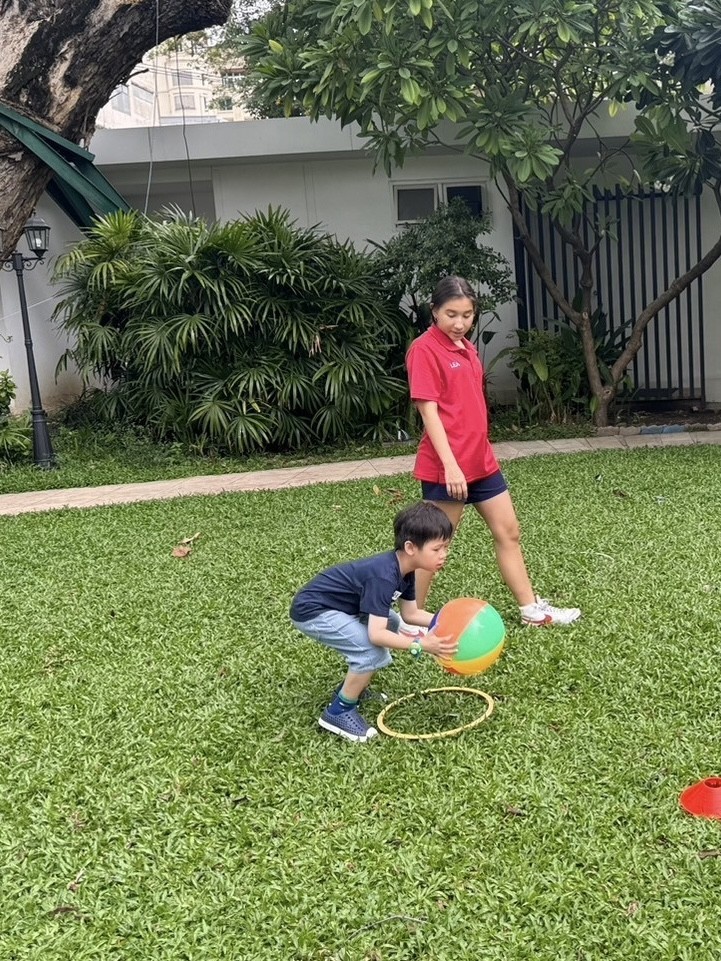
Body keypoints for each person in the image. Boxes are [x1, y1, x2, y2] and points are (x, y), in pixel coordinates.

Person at [405, 275, 581, 628]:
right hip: (446, 468)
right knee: (433, 547)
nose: (459, 323)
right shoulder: (424, 349)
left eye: (467, 315)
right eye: (451, 315)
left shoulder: (467, 348)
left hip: (481, 462)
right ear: (434, 311)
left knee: (509, 532)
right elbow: (429, 412)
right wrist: (451, 466)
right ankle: (410, 618)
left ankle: (531, 610)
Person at [290, 501, 458, 743]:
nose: (444, 554)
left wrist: (452, 621)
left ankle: (354, 688)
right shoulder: (384, 575)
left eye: (446, 547)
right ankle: (338, 712)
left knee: (392, 620)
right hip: (314, 611)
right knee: (371, 651)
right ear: (411, 547)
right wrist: (421, 644)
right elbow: (376, 635)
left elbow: (411, 614)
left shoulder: (406, 570)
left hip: (341, 607)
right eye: (437, 549)